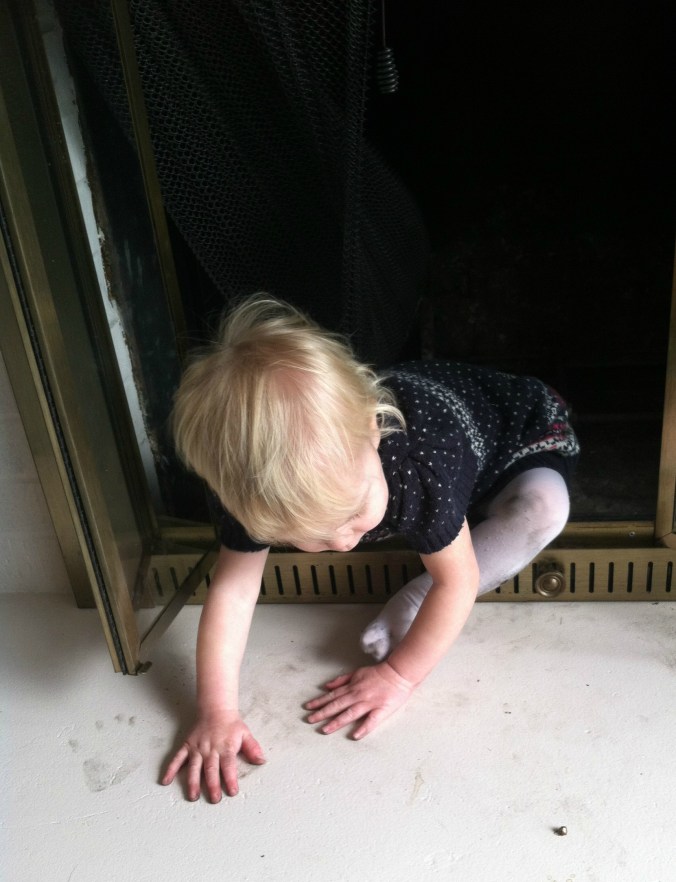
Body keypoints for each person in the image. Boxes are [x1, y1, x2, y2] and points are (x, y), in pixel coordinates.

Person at [161, 295, 579, 802]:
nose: (341, 542)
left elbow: (460, 579)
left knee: (543, 510)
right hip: (436, 456)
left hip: (515, 431)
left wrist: (399, 677)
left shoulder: (420, 467)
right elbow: (232, 591)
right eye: (308, 537)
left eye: (352, 511)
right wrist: (216, 711)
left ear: (373, 427)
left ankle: (413, 593)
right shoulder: (254, 491)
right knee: (422, 519)